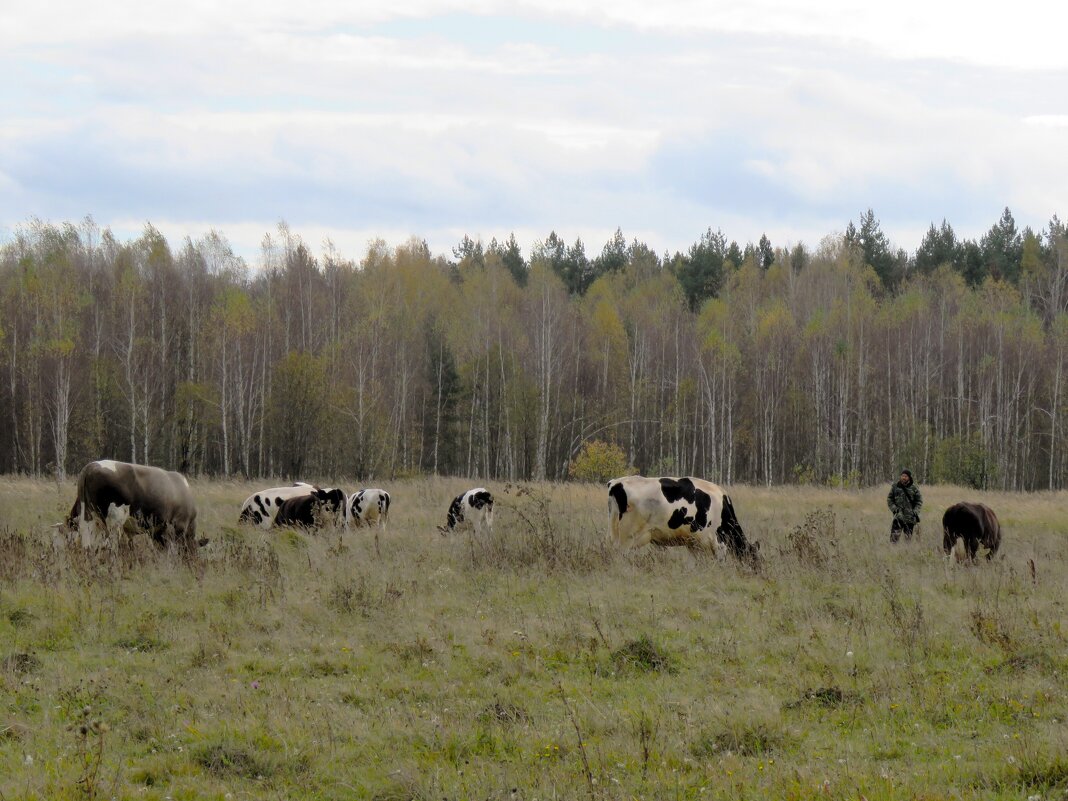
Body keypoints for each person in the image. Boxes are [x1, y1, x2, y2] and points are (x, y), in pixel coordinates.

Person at [887, 469, 922, 542]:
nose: (903, 477)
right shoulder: (895, 487)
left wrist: (915, 511)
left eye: (905, 476)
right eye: (902, 476)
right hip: (898, 517)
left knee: (908, 540)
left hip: (910, 518)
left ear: (909, 477)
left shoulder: (914, 488)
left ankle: (906, 552)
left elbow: (919, 501)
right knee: (894, 540)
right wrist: (894, 509)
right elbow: (890, 499)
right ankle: (893, 552)